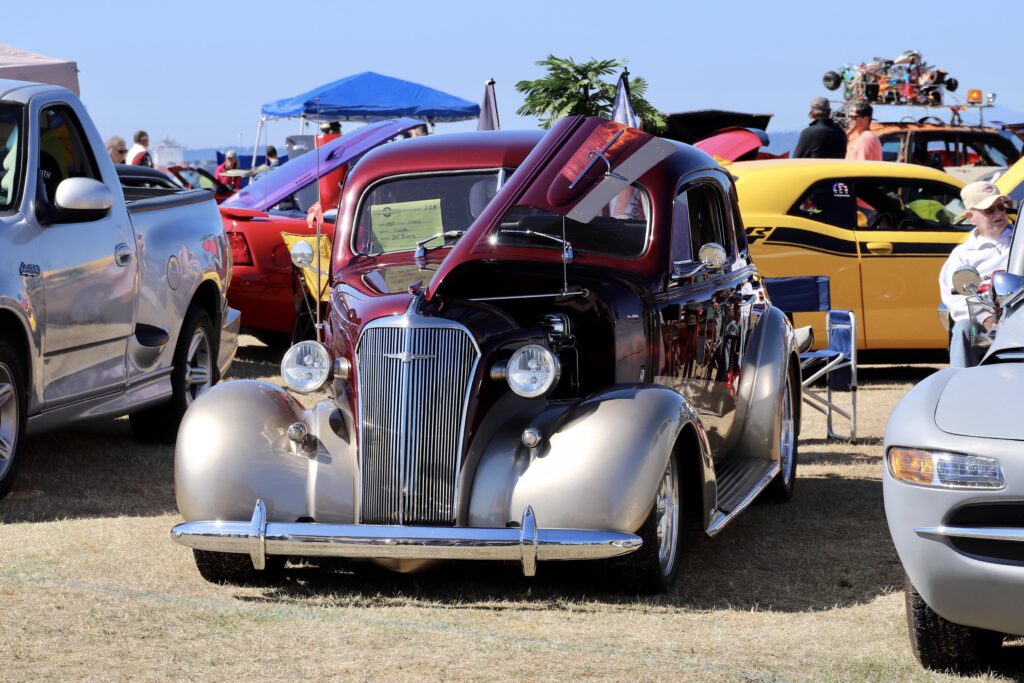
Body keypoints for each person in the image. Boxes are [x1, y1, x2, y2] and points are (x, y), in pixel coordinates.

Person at [938, 181, 1013, 367]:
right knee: (964, 327)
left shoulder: (1019, 240)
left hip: (1018, 313)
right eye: (989, 210)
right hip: (983, 321)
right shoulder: (962, 255)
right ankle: (961, 386)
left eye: (1001, 207)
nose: (998, 213)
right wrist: (986, 317)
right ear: (971, 217)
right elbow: (955, 297)